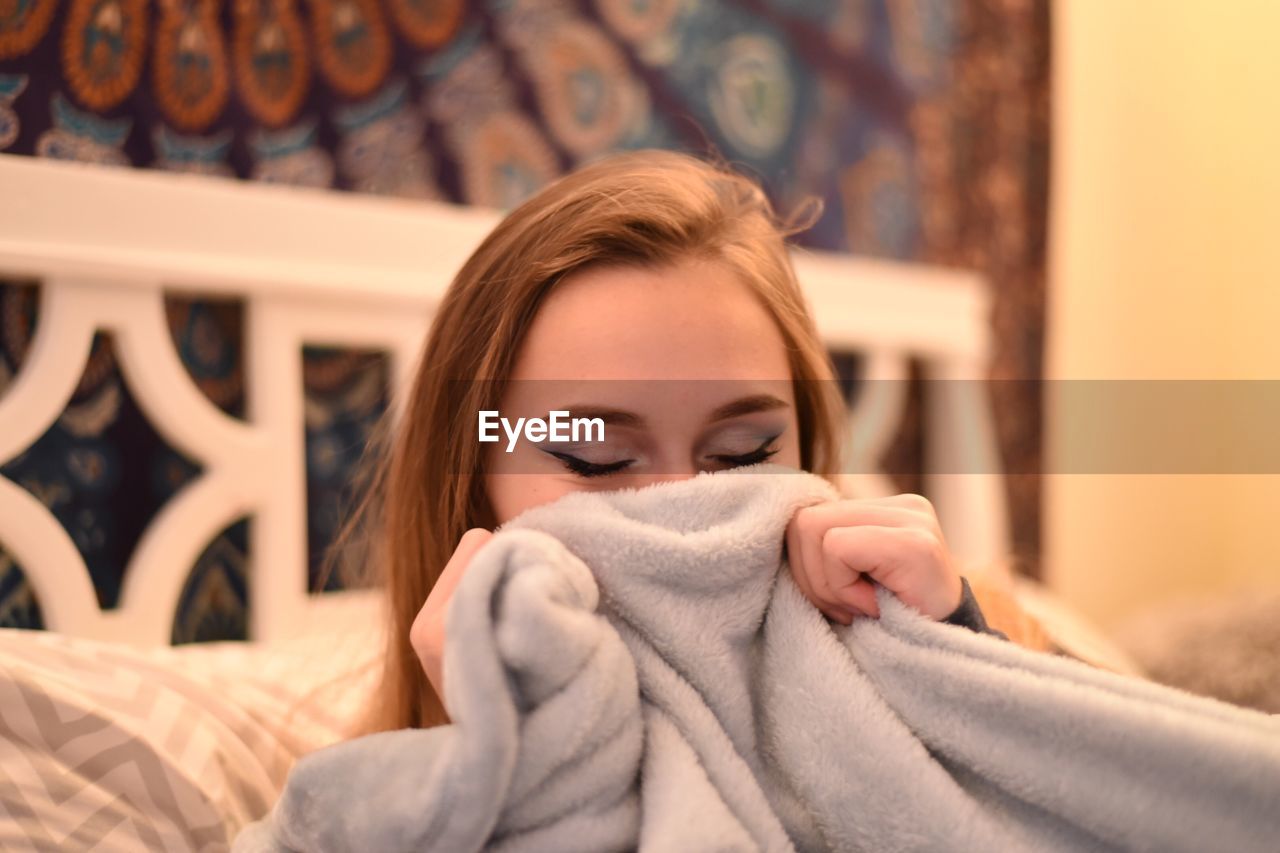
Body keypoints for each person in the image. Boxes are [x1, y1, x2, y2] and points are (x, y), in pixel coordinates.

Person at [347, 149, 1019, 734]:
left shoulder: (946, 645)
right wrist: (499, 771)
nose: (685, 519)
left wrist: (954, 671)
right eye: (595, 458)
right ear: (471, 485)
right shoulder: (364, 812)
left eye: (743, 453)